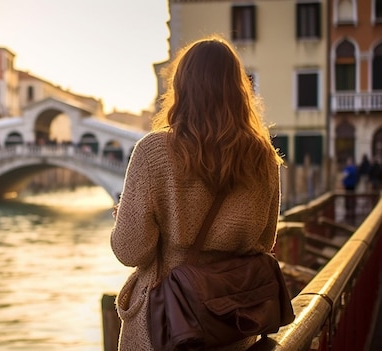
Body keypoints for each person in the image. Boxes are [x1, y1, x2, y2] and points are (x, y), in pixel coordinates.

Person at [110, 35, 284, 351]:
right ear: (238, 88)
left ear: (181, 87)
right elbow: (265, 240)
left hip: (166, 327)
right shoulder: (265, 158)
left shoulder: (154, 151)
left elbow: (130, 251)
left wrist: (124, 215)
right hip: (232, 326)